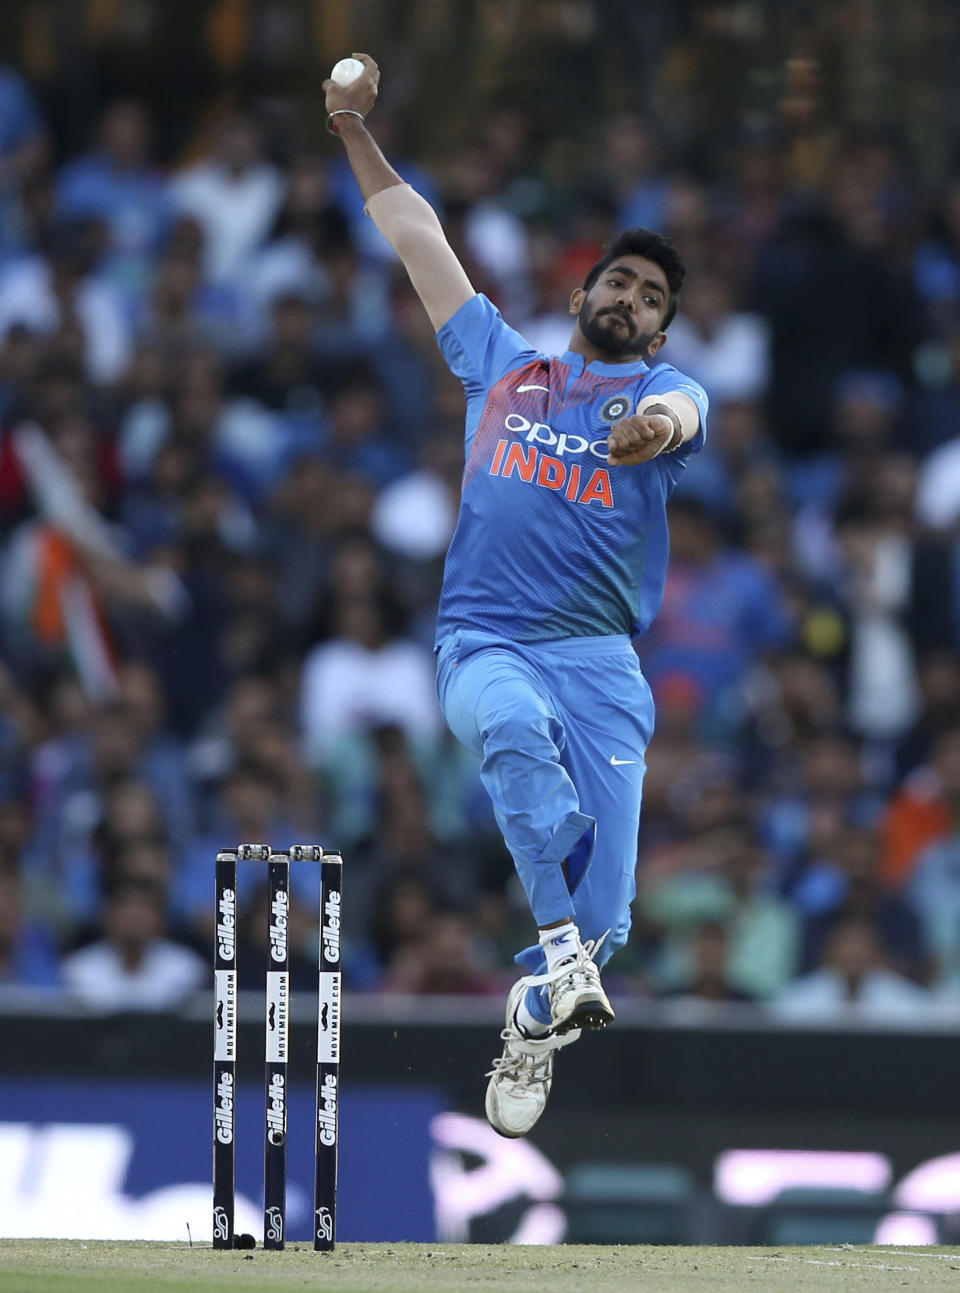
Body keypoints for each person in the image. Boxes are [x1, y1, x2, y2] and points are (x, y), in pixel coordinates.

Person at [324, 55, 708, 1139]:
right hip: (484, 636)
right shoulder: (501, 364)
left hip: (599, 658)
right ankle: (553, 956)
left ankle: (537, 1010)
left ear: (660, 330)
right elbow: (418, 239)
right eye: (618, 284)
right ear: (579, 296)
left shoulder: (667, 392)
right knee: (509, 729)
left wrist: (651, 430)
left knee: (614, 917)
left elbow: (686, 420)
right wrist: (352, 129)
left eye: (651, 297)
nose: (630, 300)